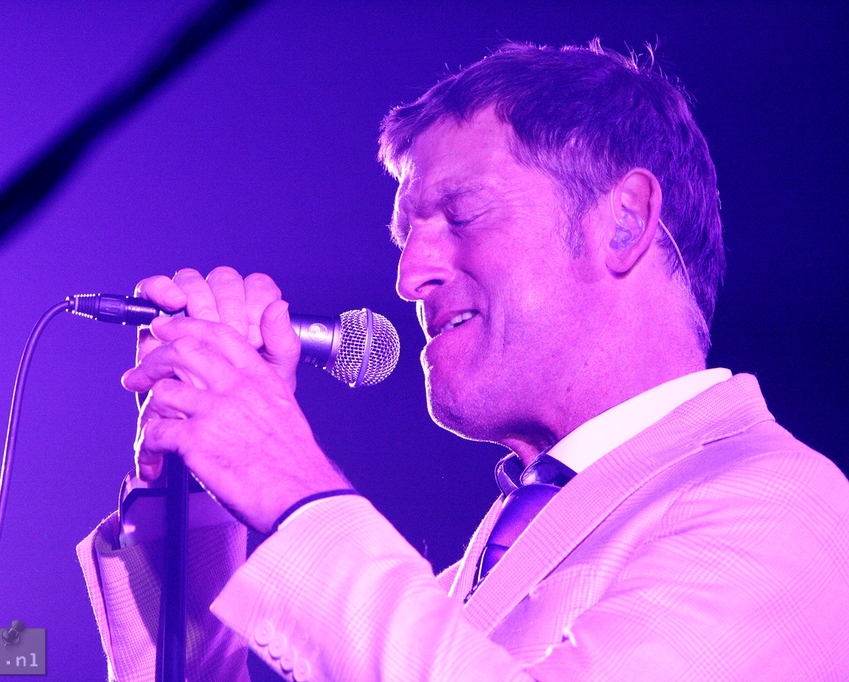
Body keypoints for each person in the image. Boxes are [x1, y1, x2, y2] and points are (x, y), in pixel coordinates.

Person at [77, 40, 849, 681]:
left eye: (462, 215)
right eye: (405, 236)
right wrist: (192, 500)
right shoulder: (476, 575)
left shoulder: (786, 507)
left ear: (623, 223)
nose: (409, 277)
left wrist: (286, 478)